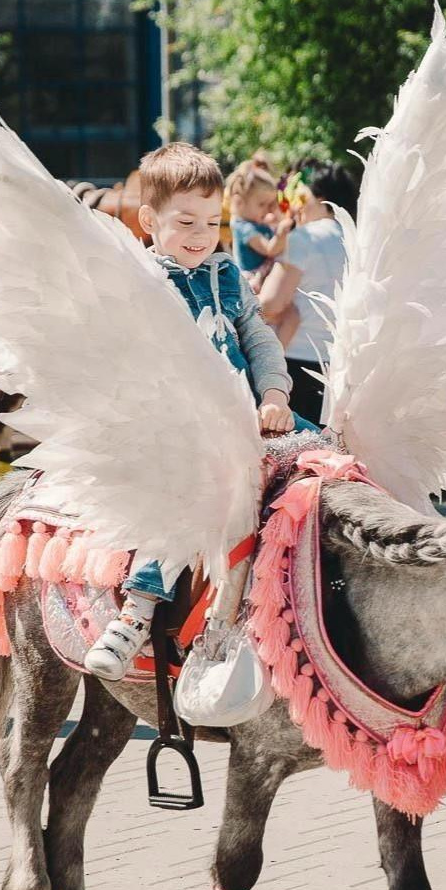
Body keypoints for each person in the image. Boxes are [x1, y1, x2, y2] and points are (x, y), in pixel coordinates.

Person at [81, 142, 296, 681]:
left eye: (212, 220)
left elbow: (259, 338)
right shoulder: (142, 285)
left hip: (247, 418)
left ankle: (302, 607)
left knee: (322, 464)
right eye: (186, 221)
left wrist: (275, 394)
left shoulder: (226, 276)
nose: (202, 234)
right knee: (185, 497)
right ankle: (138, 611)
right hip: (177, 428)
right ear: (149, 220)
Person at [260, 162, 354, 424]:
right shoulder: (356, 237)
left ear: (319, 197)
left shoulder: (305, 237)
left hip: (298, 360)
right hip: (342, 366)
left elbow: (270, 304)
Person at [225, 162, 292, 286]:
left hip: (264, 277)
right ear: (240, 202)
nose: (267, 209)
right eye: (262, 204)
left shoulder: (255, 221)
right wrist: (282, 233)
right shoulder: (245, 228)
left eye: (270, 204)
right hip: (253, 281)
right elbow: (269, 249)